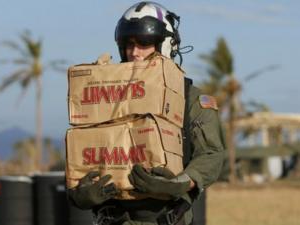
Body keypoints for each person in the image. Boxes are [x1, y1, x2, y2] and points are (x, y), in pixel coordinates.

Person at [68, 2, 226, 225]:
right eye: (129, 44)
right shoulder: (103, 96)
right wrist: (79, 193)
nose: (134, 52)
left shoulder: (189, 99)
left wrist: (180, 183)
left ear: (166, 46)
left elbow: (211, 154)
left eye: (144, 43)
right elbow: (85, 149)